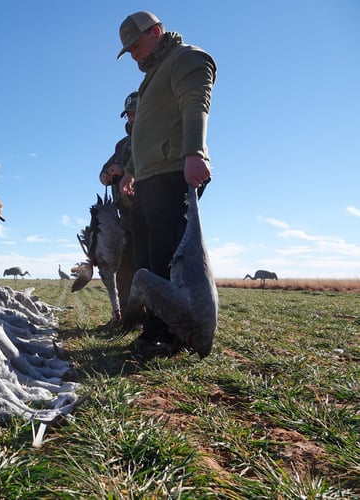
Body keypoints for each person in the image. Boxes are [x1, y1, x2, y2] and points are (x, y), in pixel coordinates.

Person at [116, 11, 216, 351]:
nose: (133, 54)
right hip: (147, 177)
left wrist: (194, 153)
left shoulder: (185, 58)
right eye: (128, 50)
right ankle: (153, 327)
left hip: (173, 171)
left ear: (156, 32)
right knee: (146, 256)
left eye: (135, 45)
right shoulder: (151, 77)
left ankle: (174, 336)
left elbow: (196, 102)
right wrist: (130, 169)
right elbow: (145, 129)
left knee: (167, 257)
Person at [98, 91, 137, 316]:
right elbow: (105, 168)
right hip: (125, 215)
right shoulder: (122, 145)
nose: (131, 120)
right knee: (124, 267)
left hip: (148, 210)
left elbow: (157, 170)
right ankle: (128, 318)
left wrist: (125, 171)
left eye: (135, 114)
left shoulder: (153, 136)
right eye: (128, 116)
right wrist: (106, 174)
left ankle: (152, 321)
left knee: (147, 265)